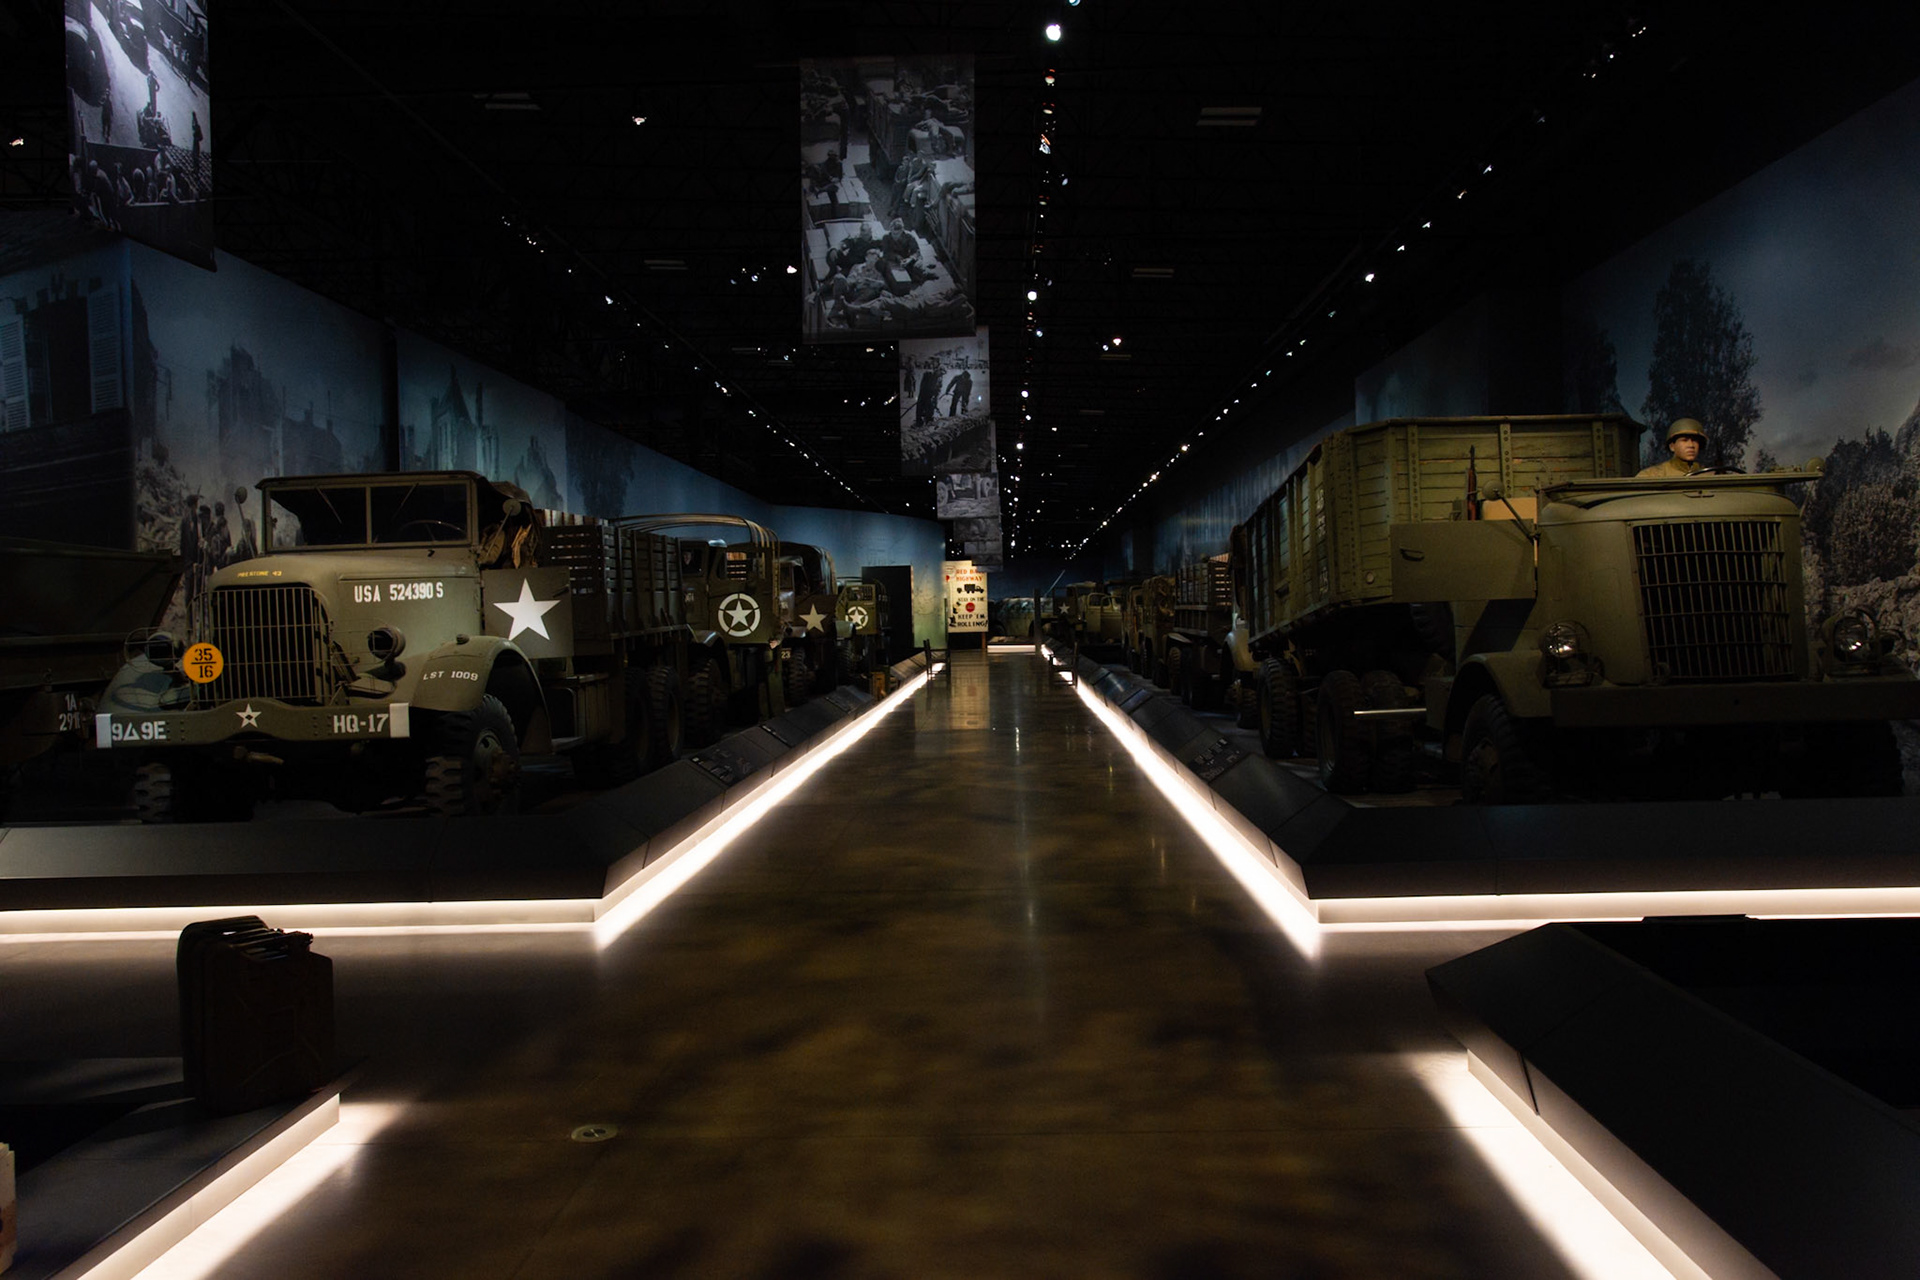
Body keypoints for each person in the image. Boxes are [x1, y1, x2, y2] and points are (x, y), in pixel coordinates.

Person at [1637, 418, 1709, 478]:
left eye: (1694, 440)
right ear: (1672, 446)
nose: (1691, 445)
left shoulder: (1709, 475)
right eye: (1684, 440)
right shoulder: (1651, 475)